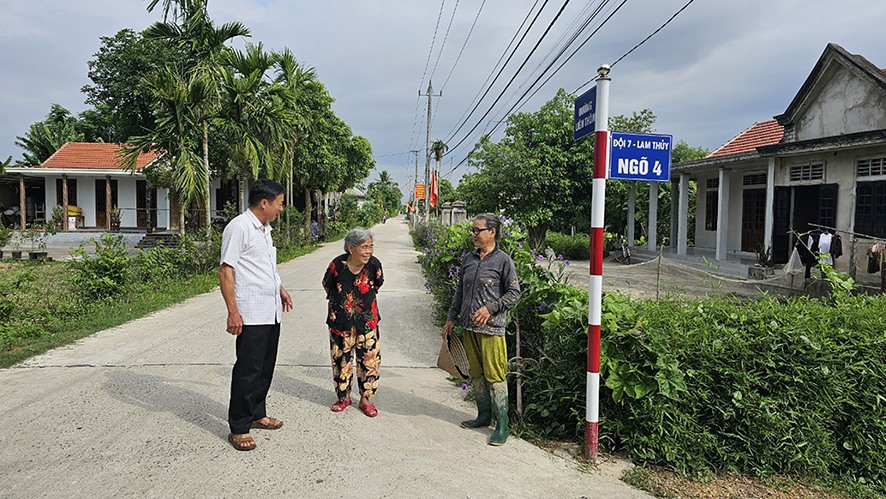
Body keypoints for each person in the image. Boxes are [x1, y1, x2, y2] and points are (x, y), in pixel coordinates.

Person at [219, 179, 294, 451]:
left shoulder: (265, 230)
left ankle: (257, 414)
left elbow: (264, 268)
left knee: (264, 368)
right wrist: (232, 312)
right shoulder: (239, 228)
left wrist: (281, 289)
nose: (281, 209)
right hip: (250, 313)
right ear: (264, 203)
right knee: (248, 370)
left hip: (270, 310)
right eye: (280, 203)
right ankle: (239, 425)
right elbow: (226, 271)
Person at [441, 213, 521, 446]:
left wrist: (490, 309)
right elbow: (460, 291)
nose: (474, 235)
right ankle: (483, 415)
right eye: (473, 230)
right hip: (468, 327)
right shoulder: (469, 259)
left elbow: (514, 293)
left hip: (492, 329)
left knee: (495, 376)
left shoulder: (503, 261)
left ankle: (502, 425)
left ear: (492, 232)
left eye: (478, 230)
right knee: (476, 374)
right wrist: (451, 318)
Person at [322, 228, 384, 417]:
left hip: (367, 322)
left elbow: (378, 283)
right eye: (364, 247)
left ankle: (366, 400)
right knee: (342, 360)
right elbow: (327, 284)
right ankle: (344, 398)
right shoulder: (337, 265)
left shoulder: (374, 265)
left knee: (369, 360)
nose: (369, 251)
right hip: (340, 322)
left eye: (371, 246)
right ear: (351, 248)